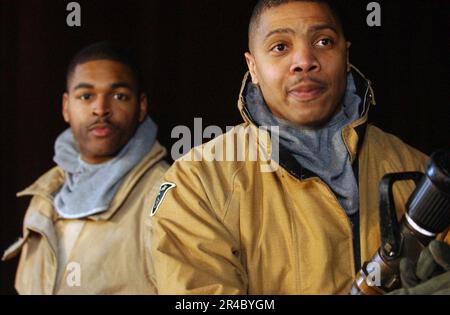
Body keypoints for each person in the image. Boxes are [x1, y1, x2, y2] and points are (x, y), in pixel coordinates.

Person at [150, 0, 450, 294]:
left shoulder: (420, 174)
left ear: (346, 57)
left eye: (323, 41)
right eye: (280, 46)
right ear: (253, 67)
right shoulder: (197, 182)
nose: (305, 60)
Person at [2, 42, 169, 294]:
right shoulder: (45, 196)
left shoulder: (167, 196)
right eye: (86, 96)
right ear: (66, 107)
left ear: (141, 106)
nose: (100, 109)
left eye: (119, 96)